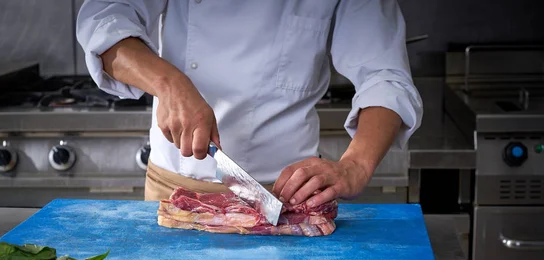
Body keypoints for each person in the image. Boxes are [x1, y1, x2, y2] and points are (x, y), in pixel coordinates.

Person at [76, 0, 422, 207]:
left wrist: (356, 166)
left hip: (289, 200)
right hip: (176, 192)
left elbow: (385, 75)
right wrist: (169, 83)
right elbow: (104, 19)